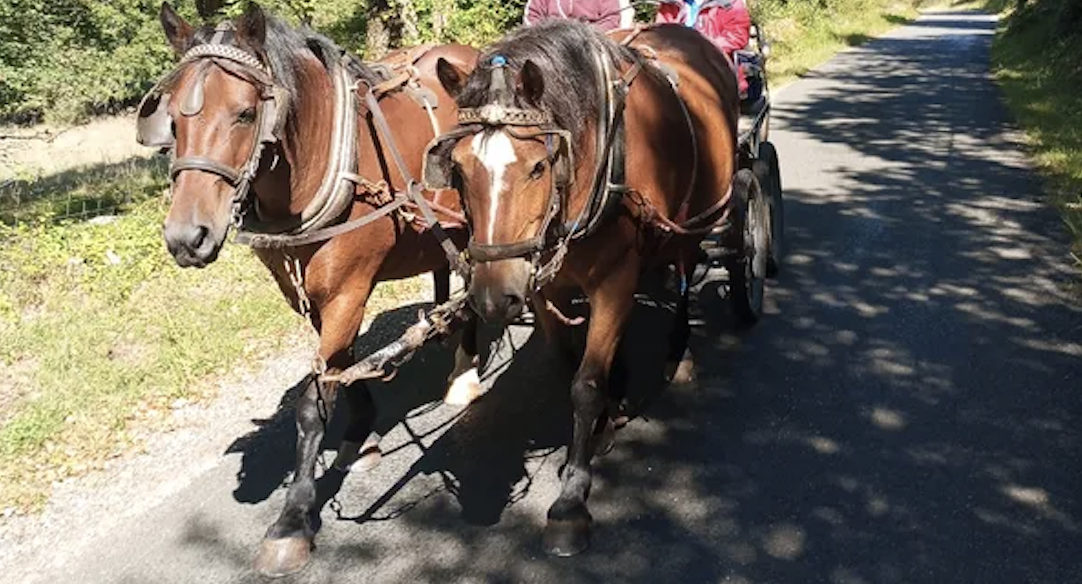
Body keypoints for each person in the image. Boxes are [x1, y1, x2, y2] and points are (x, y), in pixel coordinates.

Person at [655, 0, 752, 98]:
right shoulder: (671, 4)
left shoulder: (729, 3)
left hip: (717, 73)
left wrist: (702, 48)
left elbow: (738, 36)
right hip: (676, 70)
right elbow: (659, 35)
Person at [523, 0, 635, 32]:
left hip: (592, 48)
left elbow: (612, 20)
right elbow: (532, 17)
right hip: (551, 47)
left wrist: (583, 37)